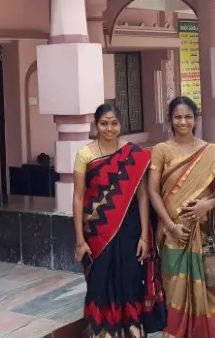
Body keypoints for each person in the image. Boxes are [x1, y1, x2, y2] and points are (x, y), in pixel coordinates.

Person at [147, 96, 215, 338]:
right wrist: (171, 226)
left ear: (195, 119)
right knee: (175, 289)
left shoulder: (210, 151)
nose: (183, 122)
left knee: (211, 290)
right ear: (170, 120)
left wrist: (207, 205)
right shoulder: (161, 150)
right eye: (177, 117)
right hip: (173, 234)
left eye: (188, 117)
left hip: (205, 233)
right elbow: (152, 191)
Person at [73, 104, 166, 337]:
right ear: (96, 125)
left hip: (129, 228)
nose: (109, 128)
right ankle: (102, 331)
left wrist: (144, 236)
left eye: (114, 123)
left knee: (129, 278)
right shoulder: (85, 154)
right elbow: (78, 198)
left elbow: (142, 196)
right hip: (96, 230)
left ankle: (132, 328)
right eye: (104, 123)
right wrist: (80, 241)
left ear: (121, 125)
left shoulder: (133, 154)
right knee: (99, 281)